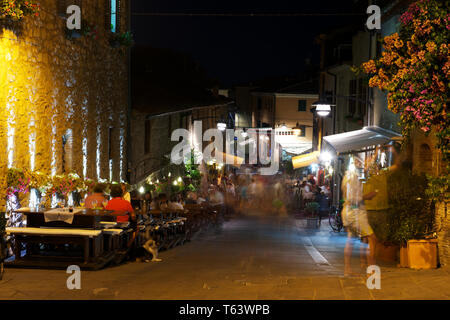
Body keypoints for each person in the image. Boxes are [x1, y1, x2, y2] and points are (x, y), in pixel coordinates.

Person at [341, 157, 378, 277]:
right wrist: (368, 196)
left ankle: (347, 269)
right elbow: (352, 198)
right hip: (355, 213)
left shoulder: (349, 176)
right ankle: (371, 271)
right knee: (372, 238)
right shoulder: (352, 178)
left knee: (350, 241)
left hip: (349, 212)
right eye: (359, 161)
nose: (361, 163)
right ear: (354, 163)